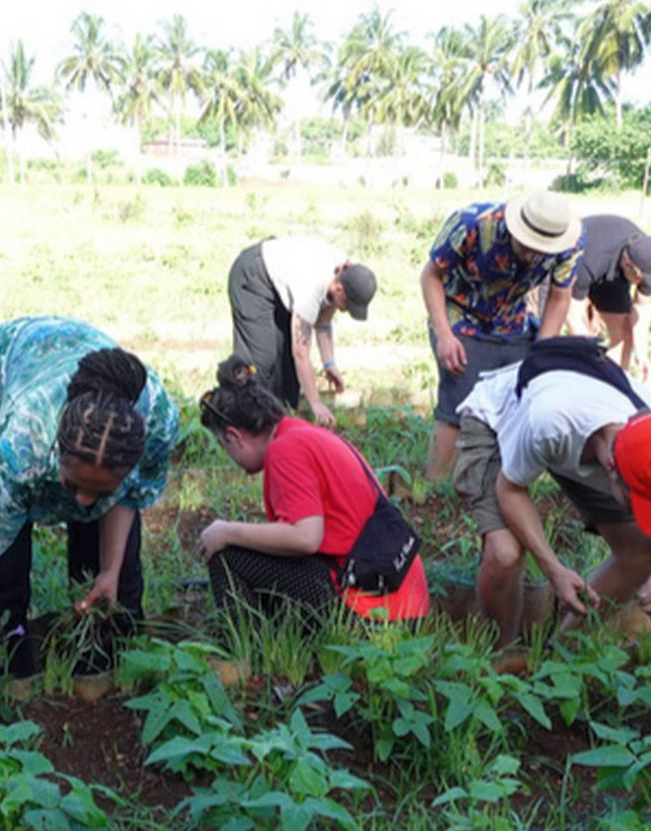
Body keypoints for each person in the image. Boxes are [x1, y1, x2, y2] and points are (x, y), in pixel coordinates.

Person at [0, 316, 179, 725]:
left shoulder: (154, 424)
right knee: (3, 573)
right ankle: (1, 663)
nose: (84, 502)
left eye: (99, 491)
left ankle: (100, 671)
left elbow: (130, 496)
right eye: (74, 486)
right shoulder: (23, 443)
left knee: (113, 588)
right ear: (56, 455)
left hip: (84, 398)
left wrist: (109, 570)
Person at [453, 338, 651, 648]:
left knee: (645, 552)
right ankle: (503, 657)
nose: (646, 513)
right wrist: (554, 570)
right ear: (613, 470)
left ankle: (561, 652)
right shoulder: (552, 420)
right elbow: (510, 490)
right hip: (498, 418)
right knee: (505, 553)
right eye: (640, 502)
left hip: (577, 443)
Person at [196, 357, 429, 626]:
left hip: (373, 611)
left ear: (234, 436)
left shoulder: (284, 451)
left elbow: (305, 537)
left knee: (226, 555)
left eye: (224, 446)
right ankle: (281, 644)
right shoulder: (302, 434)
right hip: (402, 601)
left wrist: (227, 532)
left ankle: (246, 656)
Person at [421, 190, 584, 480]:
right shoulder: (471, 223)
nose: (533, 255)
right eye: (528, 245)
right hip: (460, 316)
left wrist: (543, 352)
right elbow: (431, 275)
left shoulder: (570, 243)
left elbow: (559, 297)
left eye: (541, 249)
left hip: (513, 320)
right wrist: (444, 334)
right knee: (458, 404)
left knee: (516, 405)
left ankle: (494, 486)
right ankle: (435, 486)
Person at [225, 236, 377, 425]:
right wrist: (315, 403)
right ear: (339, 289)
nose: (347, 310)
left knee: (286, 368)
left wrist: (329, 364)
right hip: (253, 276)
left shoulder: (348, 274)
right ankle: (241, 422)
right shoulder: (312, 287)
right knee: (262, 360)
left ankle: (279, 422)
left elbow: (323, 322)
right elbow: (301, 353)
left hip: (278, 283)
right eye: (349, 305)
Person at [563, 215, 651, 376]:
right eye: (641, 279)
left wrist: (641, 353)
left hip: (614, 272)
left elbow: (642, 305)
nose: (645, 283)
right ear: (628, 265)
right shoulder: (590, 260)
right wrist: (593, 354)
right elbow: (572, 315)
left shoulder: (648, 261)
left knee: (624, 333)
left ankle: (617, 381)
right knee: (574, 334)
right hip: (575, 257)